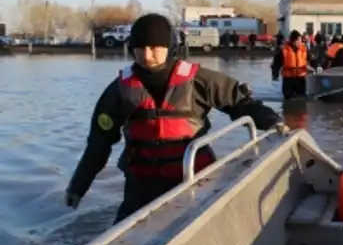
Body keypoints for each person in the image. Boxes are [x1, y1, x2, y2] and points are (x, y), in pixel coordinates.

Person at [64, 13, 288, 224]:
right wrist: (78, 187)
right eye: (140, 48)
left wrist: (273, 122)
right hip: (141, 185)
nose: (147, 55)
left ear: (169, 47)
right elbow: (98, 143)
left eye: (154, 47)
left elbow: (241, 104)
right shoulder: (119, 90)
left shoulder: (199, 80)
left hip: (192, 178)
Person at [271, 30, 310, 100]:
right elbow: (276, 63)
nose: (300, 42)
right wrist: (275, 74)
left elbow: (312, 59)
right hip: (288, 79)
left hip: (300, 79)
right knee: (288, 98)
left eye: (300, 40)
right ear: (293, 41)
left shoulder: (304, 49)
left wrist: (317, 66)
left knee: (301, 98)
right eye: (298, 40)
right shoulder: (284, 50)